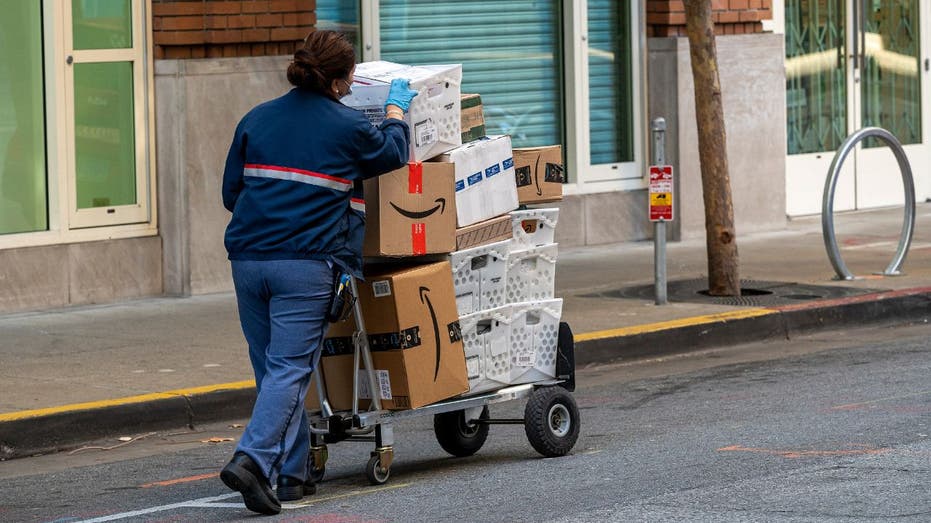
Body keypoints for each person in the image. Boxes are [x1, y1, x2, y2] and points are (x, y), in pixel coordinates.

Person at [218, 30, 418, 515]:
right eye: (350, 77)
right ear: (338, 80)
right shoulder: (346, 125)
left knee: (271, 369)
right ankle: (252, 458)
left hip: (247, 260)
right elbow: (392, 155)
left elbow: (230, 194)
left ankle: (290, 475)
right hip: (304, 264)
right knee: (290, 368)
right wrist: (395, 113)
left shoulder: (256, 118)